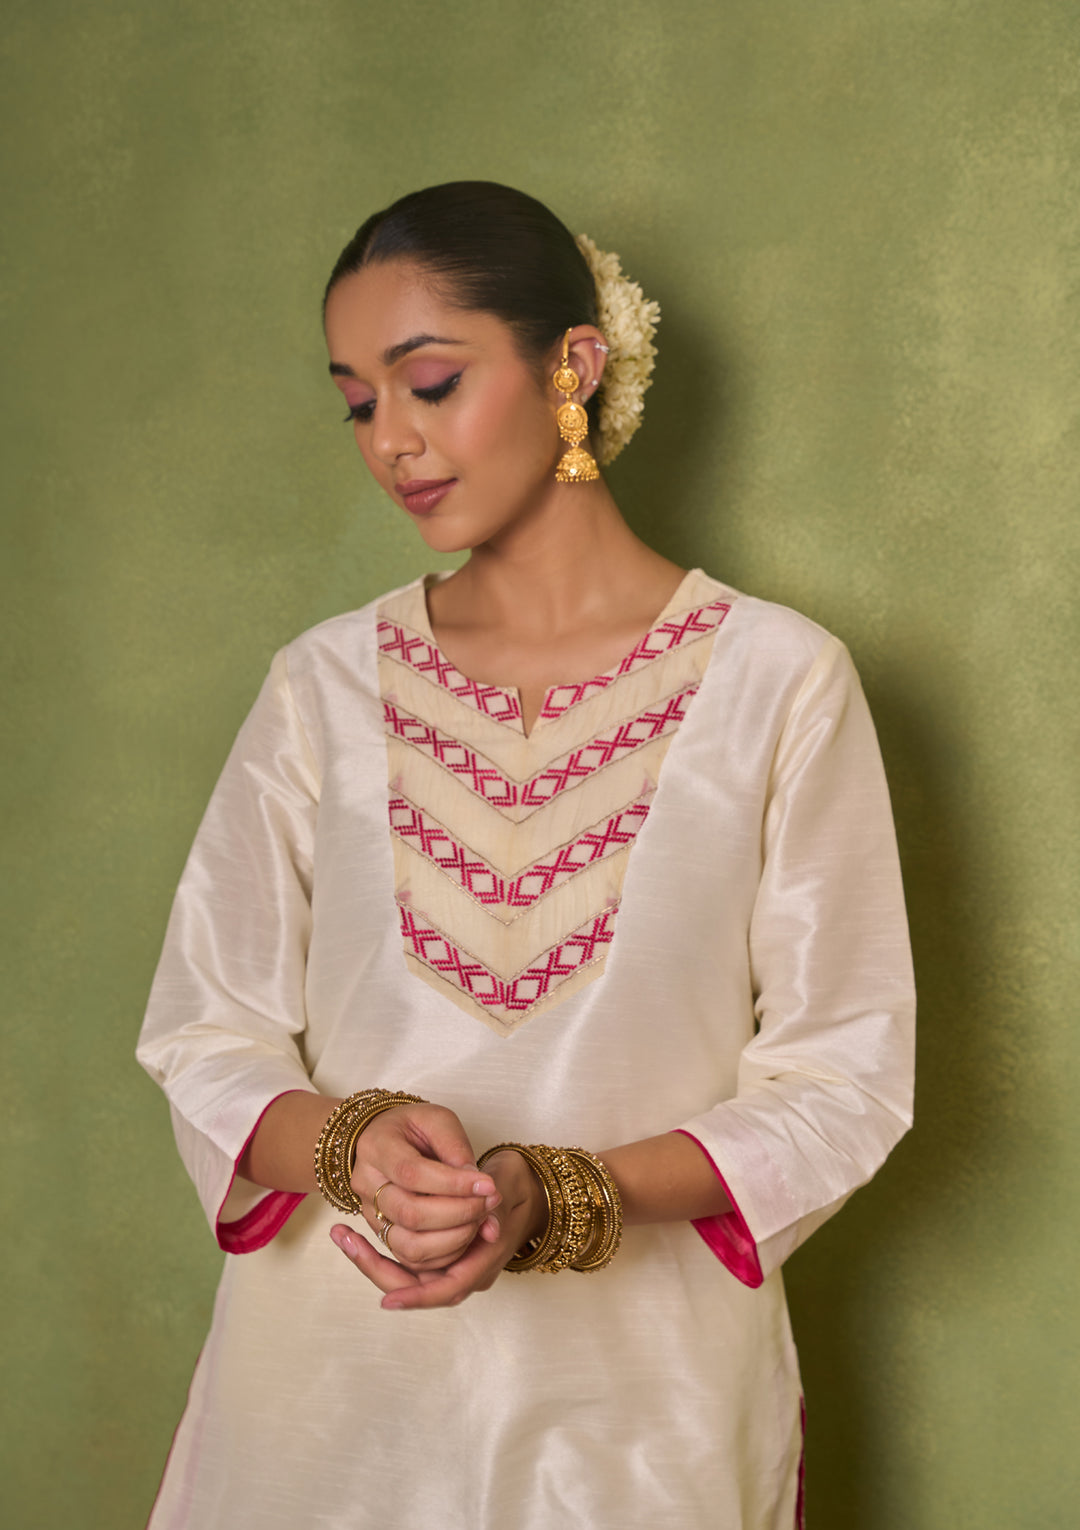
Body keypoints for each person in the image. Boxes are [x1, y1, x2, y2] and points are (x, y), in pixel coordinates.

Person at [137, 181, 915, 1529]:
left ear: (576, 364)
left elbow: (844, 1080)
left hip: (638, 1415)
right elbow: (205, 1034)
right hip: (328, 1404)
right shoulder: (324, 685)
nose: (393, 439)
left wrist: (560, 1191)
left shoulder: (779, 683)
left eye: (431, 382)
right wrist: (356, 1148)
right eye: (358, 403)